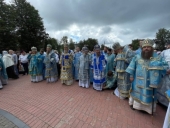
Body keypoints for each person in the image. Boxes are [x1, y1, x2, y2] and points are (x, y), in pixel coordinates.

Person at [126, 39, 168, 114]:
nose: (146, 48)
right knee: (137, 93)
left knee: (149, 95)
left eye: (148, 47)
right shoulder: (137, 56)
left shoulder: (158, 57)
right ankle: (136, 106)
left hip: (151, 81)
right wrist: (131, 75)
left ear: (152, 48)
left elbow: (165, 66)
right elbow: (132, 66)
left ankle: (147, 110)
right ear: (142, 48)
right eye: (144, 47)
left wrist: (159, 74)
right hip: (137, 80)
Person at [157, 41, 170, 107]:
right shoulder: (164, 52)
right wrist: (165, 69)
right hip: (165, 73)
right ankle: (161, 101)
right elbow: (159, 60)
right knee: (163, 87)